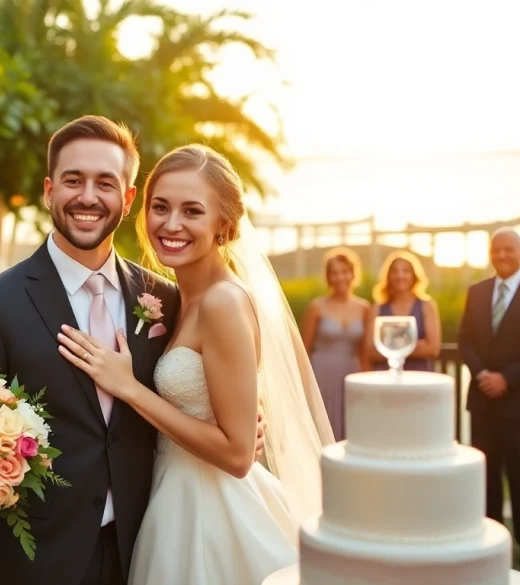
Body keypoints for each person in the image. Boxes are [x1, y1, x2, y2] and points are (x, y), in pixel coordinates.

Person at [0, 116, 270, 585]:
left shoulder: (166, 298)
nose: (87, 197)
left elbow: (221, 402)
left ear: (127, 198)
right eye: (72, 180)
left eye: (105, 182)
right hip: (40, 559)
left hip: (147, 544)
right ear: (48, 190)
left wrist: (243, 426)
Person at [57, 144, 334, 585]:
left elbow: (238, 454)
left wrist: (129, 388)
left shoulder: (223, 301)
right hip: (169, 497)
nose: (171, 224)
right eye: (160, 207)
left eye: (192, 211)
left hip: (213, 513)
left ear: (223, 223)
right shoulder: (172, 298)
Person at [458, 228, 520, 566]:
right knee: (485, 474)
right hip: (482, 398)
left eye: (508, 250)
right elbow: (465, 342)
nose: (502, 255)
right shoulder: (475, 292)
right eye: (496, 250)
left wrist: (506, 378)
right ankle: (490, 539)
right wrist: (482, 374)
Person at [300, 248, 370, 439]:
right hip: (321, 373)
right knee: (322, 427)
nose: (340, 277)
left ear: (353, 274)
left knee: (352, 428)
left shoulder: (365, 308)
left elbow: (366, 352)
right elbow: (302, 350)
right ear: (329, 277)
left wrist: (365, 382)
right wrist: (304, 385)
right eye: (335, 273)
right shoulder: (316, 307)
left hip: (351, 373)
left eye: (344, 272)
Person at [363, 250, 441, 371]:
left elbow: (433, 349)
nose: (400, 275)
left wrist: (389, 346)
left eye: (405, 271)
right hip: (385, 377)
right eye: (395, 271)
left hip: (418, 378)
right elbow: (370, 351)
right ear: (388, 276)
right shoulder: (377, 309)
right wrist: (414, 345)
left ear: (414, 276)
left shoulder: (427, 306)